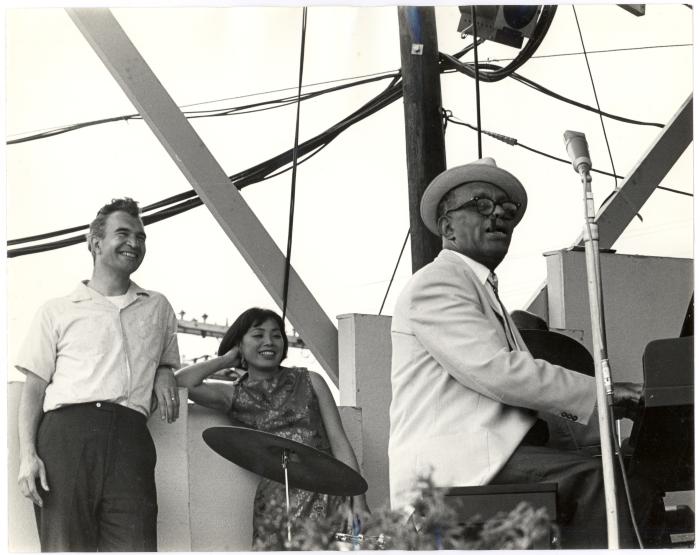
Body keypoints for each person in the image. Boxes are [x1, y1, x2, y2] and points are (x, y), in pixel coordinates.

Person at [388, 158, 664, 548]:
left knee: (622, 479)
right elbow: (500, 371)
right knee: (605, 485)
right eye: (481, 204)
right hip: (459, 469)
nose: (498, 214)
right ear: (447, 226)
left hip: (491, 459)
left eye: (507, 209)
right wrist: (608, 394)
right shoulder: (437, 282)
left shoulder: (478, 287)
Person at [16, 198, 181, 552]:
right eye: (123, 233)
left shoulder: (158, 306)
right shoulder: (57, 310)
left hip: (131, 438)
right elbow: (34, 388)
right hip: (67, 437)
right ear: (95, 243)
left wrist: (166, 370)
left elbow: (164, 359)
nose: (134, 243)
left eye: (141, 236)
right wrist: (28, 456)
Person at [175, 307, 369, 549]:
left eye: (276, 335)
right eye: (258, 335)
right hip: (278, 500)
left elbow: (339, 442)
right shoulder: (235, 393)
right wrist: (227, 357)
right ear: (240, 343)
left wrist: (359, 502)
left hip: (327, 493)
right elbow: (181, 382)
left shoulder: (312, 380)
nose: (269, 342)